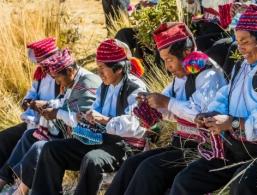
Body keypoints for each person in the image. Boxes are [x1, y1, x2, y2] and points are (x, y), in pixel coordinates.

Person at [169, 4, 257, 195]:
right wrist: (212, 113)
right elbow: (227, 94)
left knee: (241, 184)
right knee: (186, 180)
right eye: (237, 41)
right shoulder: (242, 65)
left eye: (245, 41)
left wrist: (232, 123)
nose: (240, 48)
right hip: (234, 146)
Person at [105, 22, 227, 195]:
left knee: (150, 169)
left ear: (186, 53)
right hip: (182, 145)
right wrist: (150, 105)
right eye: (164, 61)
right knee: (132, 164)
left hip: (202, 150)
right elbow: (170, 110)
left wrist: (166, 102)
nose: (167, 66)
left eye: (169, 60)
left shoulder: (208, 73)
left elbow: (200, 113)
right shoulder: (181, 75)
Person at [30, 39, 148, 195]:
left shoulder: (135, 88)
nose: (98, 73)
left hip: (125, 147)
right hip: (101, 140)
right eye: (97, 67)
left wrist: (105, 120)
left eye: (102, 68)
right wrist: (85, 117)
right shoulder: (104, 87)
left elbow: (138, 126)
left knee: (92, 160)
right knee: (52, 149)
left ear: (118, 68)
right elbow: (95, 111)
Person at [0, 49, 101, 195]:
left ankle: (21, 190)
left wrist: (56, 113)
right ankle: (5, 180)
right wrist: (47, 105)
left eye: (58, 78)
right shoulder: (72, 81)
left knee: (41, 147)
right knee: (30, 136)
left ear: (70, 71)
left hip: (86, 140)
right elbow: (64, 102)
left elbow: (84, 120)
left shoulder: (87, 83)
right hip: (68, 133)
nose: (57, 82)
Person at [0, 37, 60, 190]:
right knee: (4, 138)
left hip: (52, 126)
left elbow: (62, 103)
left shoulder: (61, 74)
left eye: (43, 63)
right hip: (33, 120)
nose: (41, 67)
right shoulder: (40, 75)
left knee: (26, 140)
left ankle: (6, 180)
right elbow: (30, 95)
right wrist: (28, 103)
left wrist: (43, 105)